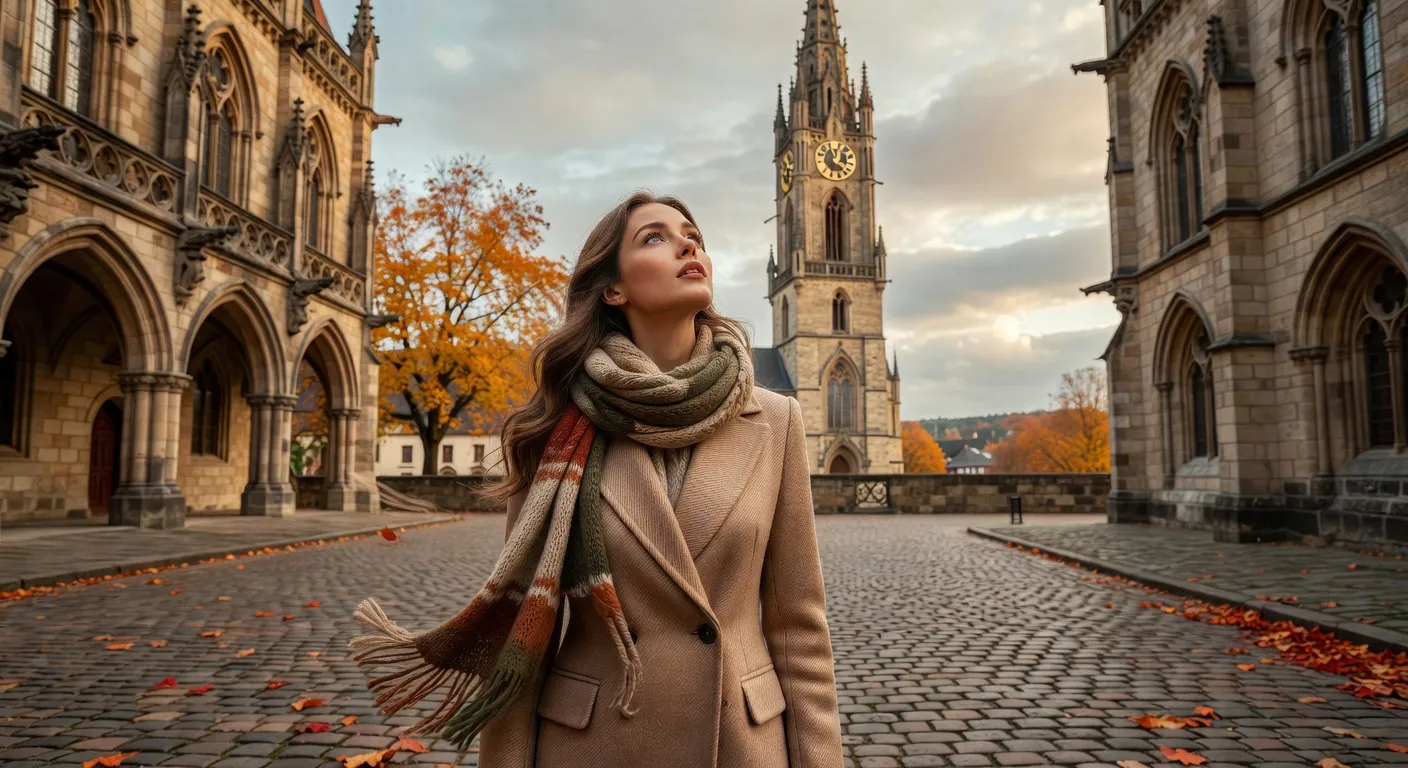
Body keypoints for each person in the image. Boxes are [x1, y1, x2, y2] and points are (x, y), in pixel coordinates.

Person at [350, 191, 844, 767]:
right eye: (655, 237)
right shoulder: (553, 432)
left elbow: (799, 630)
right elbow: (524, 638)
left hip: (738, 741)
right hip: (594, 742)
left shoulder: (774, 422)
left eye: (695, 236)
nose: (689, 243)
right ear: (614, 289)